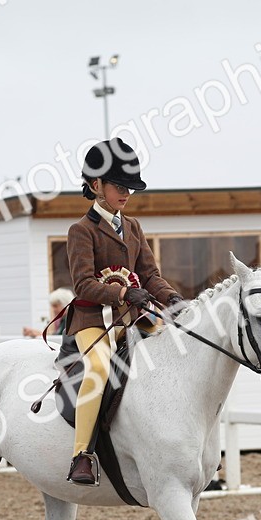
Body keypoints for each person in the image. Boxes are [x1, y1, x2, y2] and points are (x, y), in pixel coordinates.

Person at [64, 138, 183, 485]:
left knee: (174, 353)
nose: (126, 193)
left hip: (131, 319)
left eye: (130, 187)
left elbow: (150, 275)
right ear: (95, 185)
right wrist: (122, 292)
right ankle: (81, 455)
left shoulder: (132, 227)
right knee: (99, 367)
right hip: (92, 322)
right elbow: (83, 285)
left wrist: (174, 300)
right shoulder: (81, 231)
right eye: (120, 186)